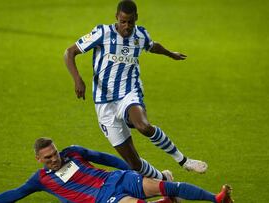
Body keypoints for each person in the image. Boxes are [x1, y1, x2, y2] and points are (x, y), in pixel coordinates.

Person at [64, 0, 207, 180]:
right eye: (123, 21)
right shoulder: (103, 33)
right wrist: (77, 79)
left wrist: (171, 54)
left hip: (128, 93)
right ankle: (164, 179)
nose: (127, 26)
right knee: (134, 164)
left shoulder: (140, 35)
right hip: (103, 102)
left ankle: (184, 161)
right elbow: (69, 53)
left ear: (136, 18)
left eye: (131, 21)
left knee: (144, 126)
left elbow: (152, 45)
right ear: (117, 17)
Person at [0, 137, 233, 203]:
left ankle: (216, 199)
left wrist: (131, 167)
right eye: (48, 157)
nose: (54, 158)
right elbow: (14, 194)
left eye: (54, 153)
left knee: (167, 185)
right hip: (105, 199)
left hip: (118, 179)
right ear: (38, 159)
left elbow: (104, 156)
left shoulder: (73, 152)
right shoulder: (41, 179)